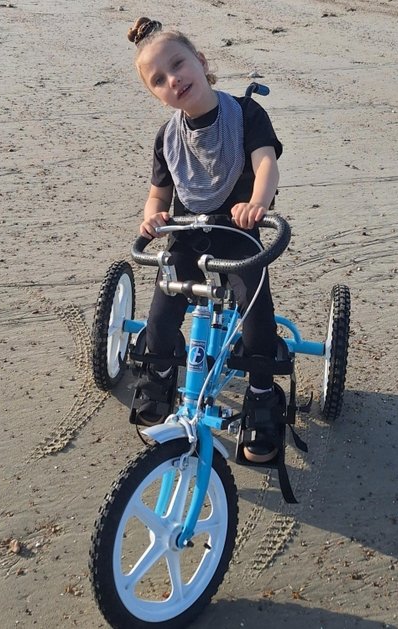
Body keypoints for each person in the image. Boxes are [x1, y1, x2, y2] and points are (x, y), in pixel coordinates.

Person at [127, 17, 284, 464]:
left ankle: (260, 394)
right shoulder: (168, 139)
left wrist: (256, 203)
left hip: (239, 234)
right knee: (160, 314)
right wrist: (152, 219)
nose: (173, 79)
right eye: (159, 80)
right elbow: (159, 193)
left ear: (200, 61)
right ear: (156, 94)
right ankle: (159, 375)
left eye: (178, 65)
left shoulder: (246, 115)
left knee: (256, 317)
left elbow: (266, 163)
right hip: (188, 235)